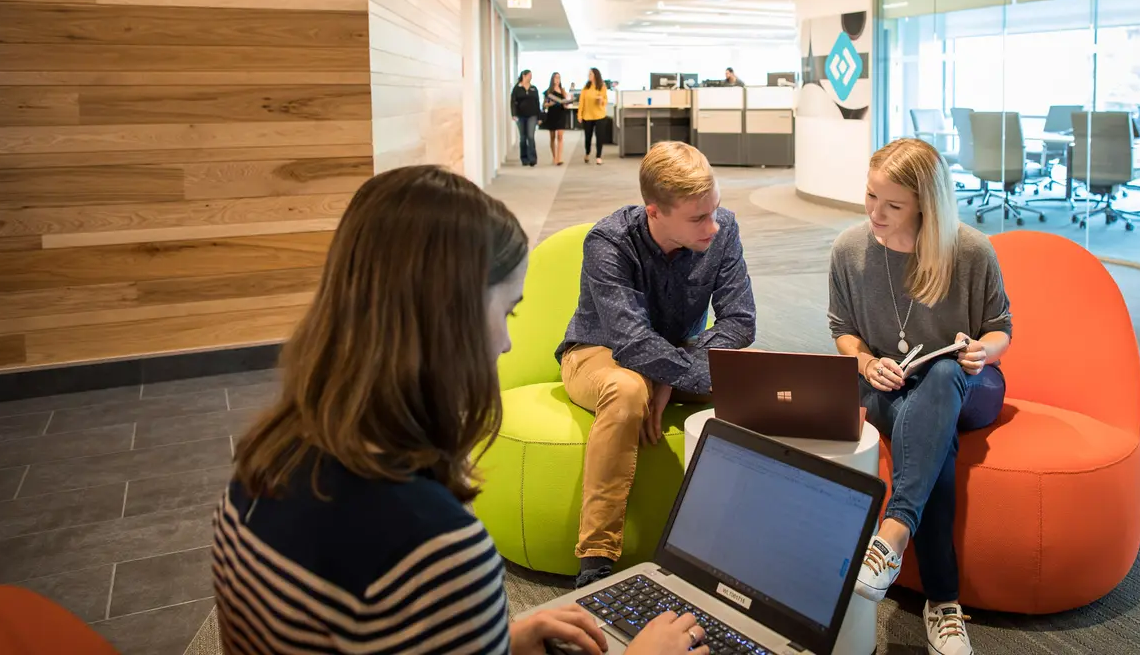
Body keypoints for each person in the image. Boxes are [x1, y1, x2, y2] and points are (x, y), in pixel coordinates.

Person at [211, 166, 703, 655]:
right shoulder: (436, 550)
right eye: (506, 311)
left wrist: (493, 640)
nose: (507, 344)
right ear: (452, 321)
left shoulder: (257, 475)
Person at [829, 138, 1010, 655]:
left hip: (971, 381)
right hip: (889, 382)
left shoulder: (970, 249)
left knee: (942, 376)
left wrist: (982, 351)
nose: (875, 213)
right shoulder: (850, 249)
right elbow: (841, 328)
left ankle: (893, 530)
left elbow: (1002, 330)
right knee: (936, 447)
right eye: (870, 197)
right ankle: (944, 604)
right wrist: (865, 361)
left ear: (926, 206)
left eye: (892, 205)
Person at [557, 141, 757, 589]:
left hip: (679, 350)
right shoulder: (609, 241)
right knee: (628, 390)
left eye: (715, 210)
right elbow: (629, 340)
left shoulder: (723, 229)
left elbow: (740, 322)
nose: (713, 225)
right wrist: (667, 374)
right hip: (596, 352)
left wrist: (669, 374)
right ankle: (595, 563)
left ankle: (749, 542)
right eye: (697, 218)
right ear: (655, 212)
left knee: (760, 377)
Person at [578, 67, 609, 166]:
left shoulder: (602, 86)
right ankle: (587, 153)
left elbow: (605, 101)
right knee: (588, 137)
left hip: (600, 115)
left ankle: (598, 156)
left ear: (596, 75)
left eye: (590, 74)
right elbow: (581, 101)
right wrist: (579, 114)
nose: (589, 76)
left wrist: (601, 100)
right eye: (589, 74)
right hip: (587, 116)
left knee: (600, 137)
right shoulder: (586, 87)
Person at [511, 70, 541, 167]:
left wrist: (539, 117)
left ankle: (532, 158)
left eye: (531, 75)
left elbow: (537, 103)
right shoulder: (517, 89)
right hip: (520, 116)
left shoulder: (533, 88)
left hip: (532, 115)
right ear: (523, 76)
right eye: (529, 75)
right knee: (523, 137)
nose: (530, 77)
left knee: (531, 136)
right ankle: (524, 158)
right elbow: (513, 102)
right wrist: (514, 114)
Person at [542, 71, 570, 166]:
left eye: (559, 78)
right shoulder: (548, 92)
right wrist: (550, 104)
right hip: (552, 114)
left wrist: (566, 103)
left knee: (560, 136)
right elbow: (544, 105)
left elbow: (566, 102)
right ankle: (554, 157)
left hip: (561, 114)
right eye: (555, 78)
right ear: (552, 79)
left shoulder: (563, 91)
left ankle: (559, 158)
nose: (557, 80)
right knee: (553, 137)